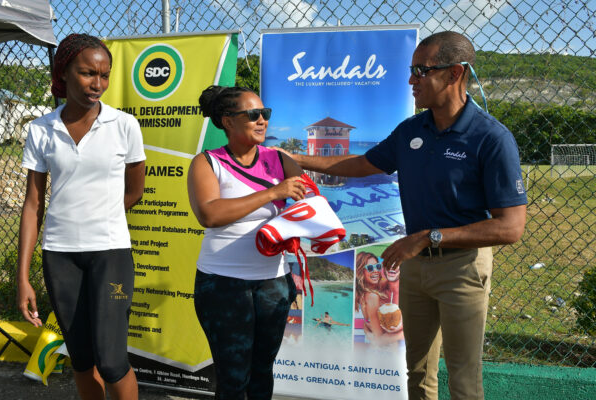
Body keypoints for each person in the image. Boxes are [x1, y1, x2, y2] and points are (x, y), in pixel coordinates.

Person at [281, 31, 527, 399]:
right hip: (415, 268)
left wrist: (429, 236)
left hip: (461, 269)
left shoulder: (490, 138)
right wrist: (298, 160)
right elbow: (364, 163)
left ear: (454, 73)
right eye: (411, 70)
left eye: (421, 70)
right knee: (416, 370)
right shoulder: (413, 130)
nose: (411, 80)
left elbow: (510, 227)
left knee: (462, 376)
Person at [16, 34, 145, 400]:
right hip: (60, 255)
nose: (97, 84)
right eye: (88, 73)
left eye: (104, 75)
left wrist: (101, 215)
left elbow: (134, 191)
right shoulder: (41, 129)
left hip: (110, 254)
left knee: (112, 359)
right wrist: (23, 278)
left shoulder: (124, 126)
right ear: (64, 72)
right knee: (81, 357)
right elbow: (32, 204)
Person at [187, 85, 306, 399]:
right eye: (253, 115)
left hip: (273, 282)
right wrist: (272, 193)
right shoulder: (207, 162)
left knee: (262, 371)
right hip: (223, 284)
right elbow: (210, 214)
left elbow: (306, 202)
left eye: (264, 114)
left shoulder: (279, 159)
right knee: (233, 376)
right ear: (227, 121)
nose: (262, 121)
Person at [354, 252, 401, 346]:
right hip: (379, 350)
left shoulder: (368, 291)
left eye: (378, 266)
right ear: (360, 272)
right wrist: (402, 334)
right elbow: (379, 339)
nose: (375, 270)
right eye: (370, 268)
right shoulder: (372, 296)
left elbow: (368, 323)